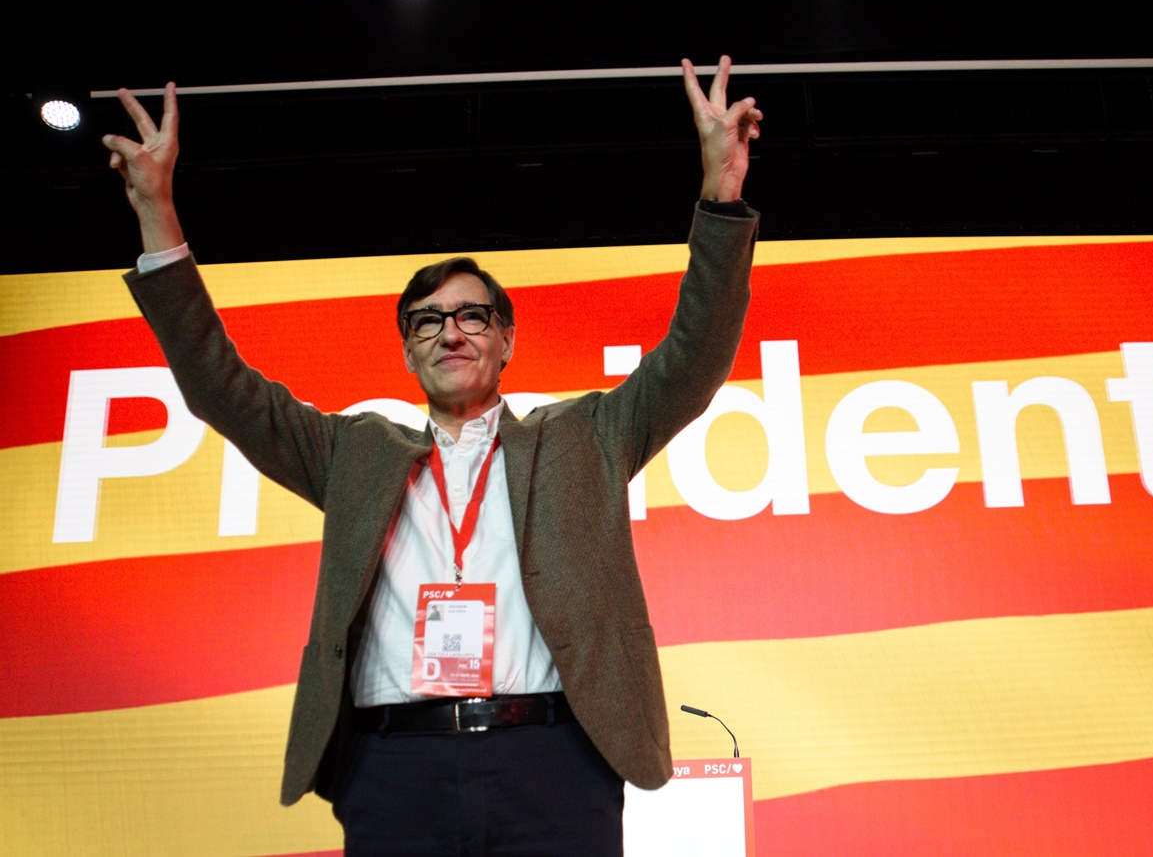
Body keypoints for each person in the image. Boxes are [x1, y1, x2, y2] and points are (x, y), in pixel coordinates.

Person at [103, 56, 761, 855]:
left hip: (554, 760)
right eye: (426, 321)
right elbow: (222, 387)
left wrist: (720, 196)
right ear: (409, 350)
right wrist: (158, 215)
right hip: (393, 765)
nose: (450, 331)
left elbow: (692, 356)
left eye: (474, 316)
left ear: (506, 339)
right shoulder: (353, 451)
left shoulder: (583, 436)